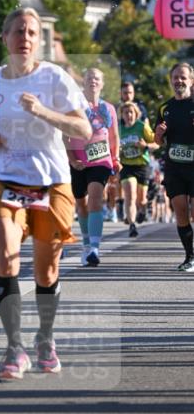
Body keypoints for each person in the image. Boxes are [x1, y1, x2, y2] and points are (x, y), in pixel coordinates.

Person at [0, 8, 91, 380]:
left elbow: (83, 130)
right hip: (6, 179)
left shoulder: (54, 78)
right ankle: (14, 348)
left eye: (32, 32)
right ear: (4, 37)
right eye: (18, 31)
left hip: (50, 181)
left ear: (38, 40)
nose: (25, 37)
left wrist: (43, 111)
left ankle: (45, 338)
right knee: (6, 254)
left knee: (46, 271)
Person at [66, 67, 119, 266]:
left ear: (102, 83)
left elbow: (114, 136)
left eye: (97, 78)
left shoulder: (109, 108)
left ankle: (95, 248)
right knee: (81, 204)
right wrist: (71, 159)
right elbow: (65, 135)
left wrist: (116, 158)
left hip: (101, 160)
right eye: (89, 78)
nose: (93, 81)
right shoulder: (74, 107)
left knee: (96, 196)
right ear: (84, 82)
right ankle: (87, 244)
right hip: (78, 161)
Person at [155, 62, 194, 273]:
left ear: (191, 81)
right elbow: (157, 140)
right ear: (171, 81)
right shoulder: (165, 108)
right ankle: (190, 257)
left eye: (183, 77)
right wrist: (159, 135)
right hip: (174, 168)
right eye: (175, 77)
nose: (179, 81)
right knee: (180, 211)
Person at [118, 101, 158, 238]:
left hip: (142, 166)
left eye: (131, 112)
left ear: (136, 114)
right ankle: (132, 225)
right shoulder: (118, 129)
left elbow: (157, 143)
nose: (129, 115)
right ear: (122, 115)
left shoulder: (142, 127)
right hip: (126, 166)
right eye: (126, 112)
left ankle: (142, 209)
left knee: (141, 199)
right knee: (130, 195)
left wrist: (145, 145)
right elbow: (111, 147)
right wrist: (118, 151)